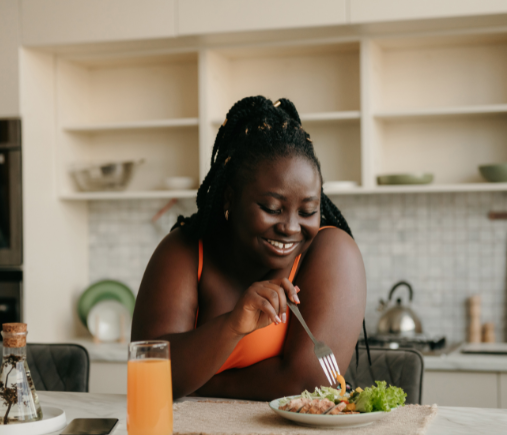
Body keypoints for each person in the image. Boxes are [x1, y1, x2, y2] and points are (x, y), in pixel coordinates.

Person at [131, 96, 367, 401]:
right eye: (271, 207)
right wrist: (231, 327)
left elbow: (307, 385)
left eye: (308, 211)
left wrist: (203, 383)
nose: (291, 227)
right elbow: (148, 376)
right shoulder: (185, 249)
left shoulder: (332, 252)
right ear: (229, 198)